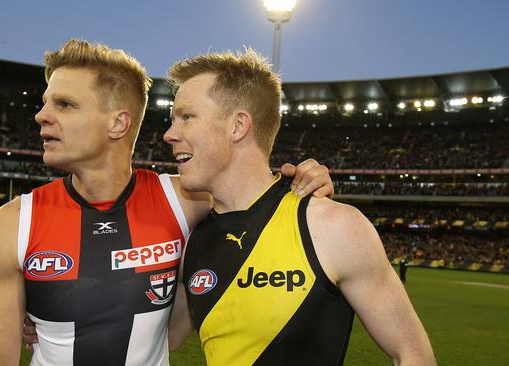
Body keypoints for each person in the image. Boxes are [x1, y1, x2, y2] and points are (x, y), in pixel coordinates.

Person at [0, 38, 334, 366]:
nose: (41, 116)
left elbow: (261, 194)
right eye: (45, 103)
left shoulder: (184, 201)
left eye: (65, 104)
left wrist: (307, 180)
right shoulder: (14, 223)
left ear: (119, 123)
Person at [163, 49, 436, 365]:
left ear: (238, 126)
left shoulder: (333, 227)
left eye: (186, 117)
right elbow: (156, 341)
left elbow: (413, 354)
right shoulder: (191, 237)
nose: (170, 134)